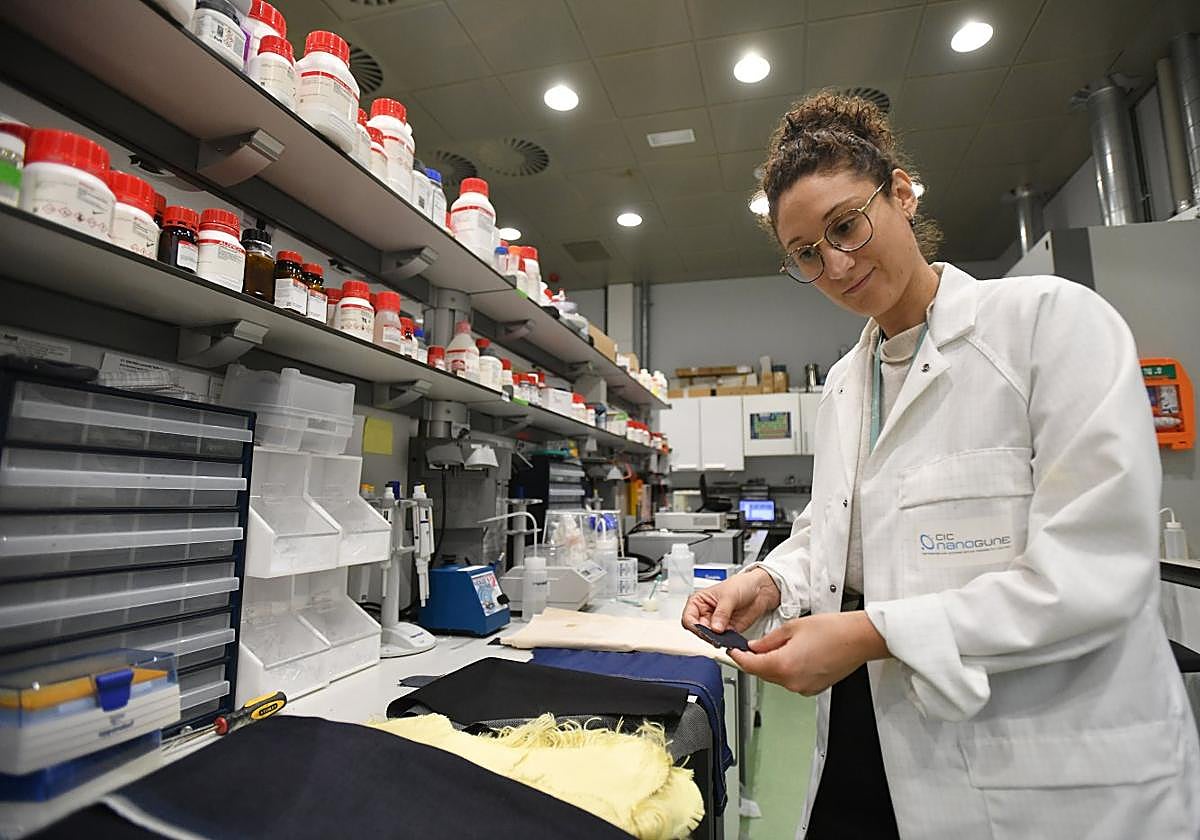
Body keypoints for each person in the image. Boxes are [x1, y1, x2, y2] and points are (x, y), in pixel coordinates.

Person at [683, 91, 1200, 839]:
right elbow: (835, 540)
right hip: (872, 746)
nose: (834, 264)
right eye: (805, 253)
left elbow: (1096, 573)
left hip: (1043, 770)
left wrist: (873, 634)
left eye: (845, 226)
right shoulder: (842, 387)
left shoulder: (1049, 326)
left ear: (899, 194)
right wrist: (768, 580)